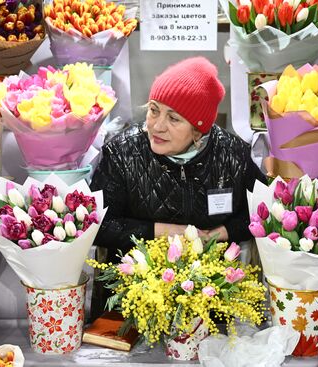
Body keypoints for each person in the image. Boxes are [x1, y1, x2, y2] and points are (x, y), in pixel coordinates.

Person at [90, 57, 266, 260]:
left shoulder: (233, 155)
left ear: (198, 131)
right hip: (133, 277)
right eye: (154, 110)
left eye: (173, 118)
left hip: (211, 279)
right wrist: (165, 231)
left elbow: (261, 214)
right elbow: (98, 226)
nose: (157, 126)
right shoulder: (122, 152)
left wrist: (218, 234)